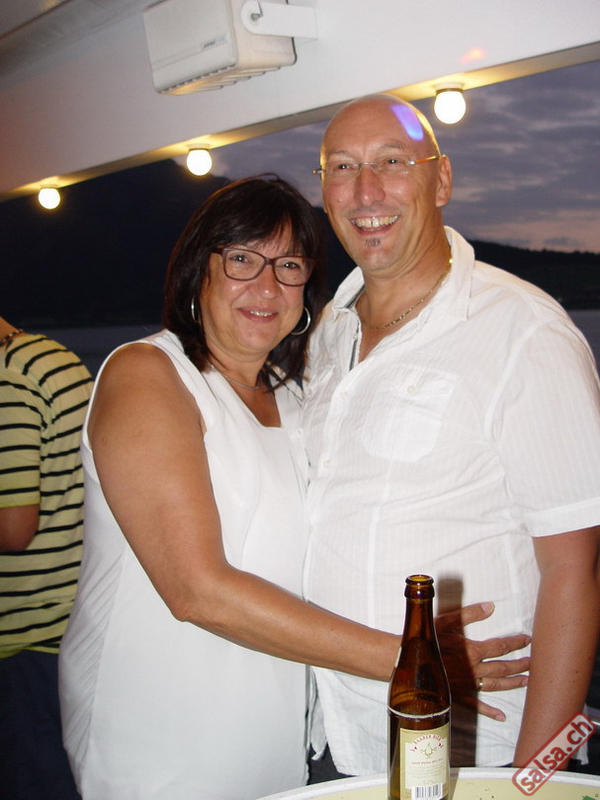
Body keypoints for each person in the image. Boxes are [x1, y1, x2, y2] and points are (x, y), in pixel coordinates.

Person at [58, 175, 529, 800]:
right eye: (242, 259)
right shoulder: (148, 374)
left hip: (277, 730)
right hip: (159, 729)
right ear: (199, 270)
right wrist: (413, 662)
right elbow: (196, 590)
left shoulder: (294, 399)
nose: (266, 286)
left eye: (288, 266)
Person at [303, 94, 600, 778]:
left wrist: (533, 781)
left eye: (392, 162)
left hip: (475, 752)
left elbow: (574, 571)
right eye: (342, 167)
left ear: (441, 180)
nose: (366, 191)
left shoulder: (522, 330)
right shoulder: (323, 333)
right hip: (338, 738)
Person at [0, 318, 93, 799]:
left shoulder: (8, 377)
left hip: (25, 638)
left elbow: (14, 529)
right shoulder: (52, 357)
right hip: (68, 627)